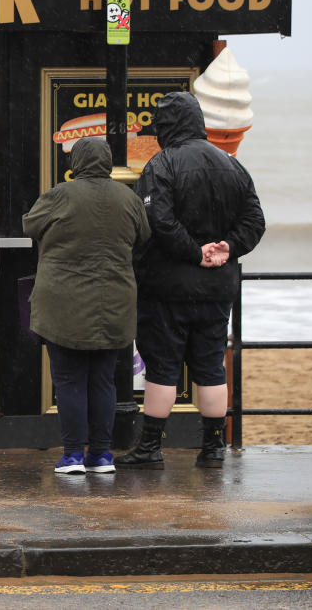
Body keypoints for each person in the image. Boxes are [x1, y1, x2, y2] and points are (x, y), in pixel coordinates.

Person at [116, 91, 265, 469]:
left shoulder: (161, 165)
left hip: (167, 287)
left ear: (166, 126)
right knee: (211, 365)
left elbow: (159, 222)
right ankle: (213, 447)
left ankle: (151, 446)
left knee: (163, 367)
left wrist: (194, 252)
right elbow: (255, 222)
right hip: (218, 288)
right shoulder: (233, 165)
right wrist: (227, 248)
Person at [22, 136, 151, 474]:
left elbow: (29, 225)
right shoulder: (129, 198)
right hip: (114, 303)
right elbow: (144, 235)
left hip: (62, 304)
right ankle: (102, 455)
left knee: (69, 380)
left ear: (75, 163)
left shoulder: (58, 195)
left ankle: (73, 455)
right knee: (104, 380)